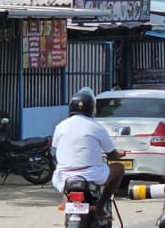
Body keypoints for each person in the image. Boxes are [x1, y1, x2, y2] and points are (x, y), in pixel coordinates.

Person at [50, 90, 125, 220]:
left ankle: (67, 205)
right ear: (91, 109)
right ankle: (101, 207)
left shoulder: (60, 126)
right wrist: (119, 154)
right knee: (119, 168)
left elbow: (53, 151)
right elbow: (112, 155)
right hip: (92, 175)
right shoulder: (97, 127)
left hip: (63, 177)